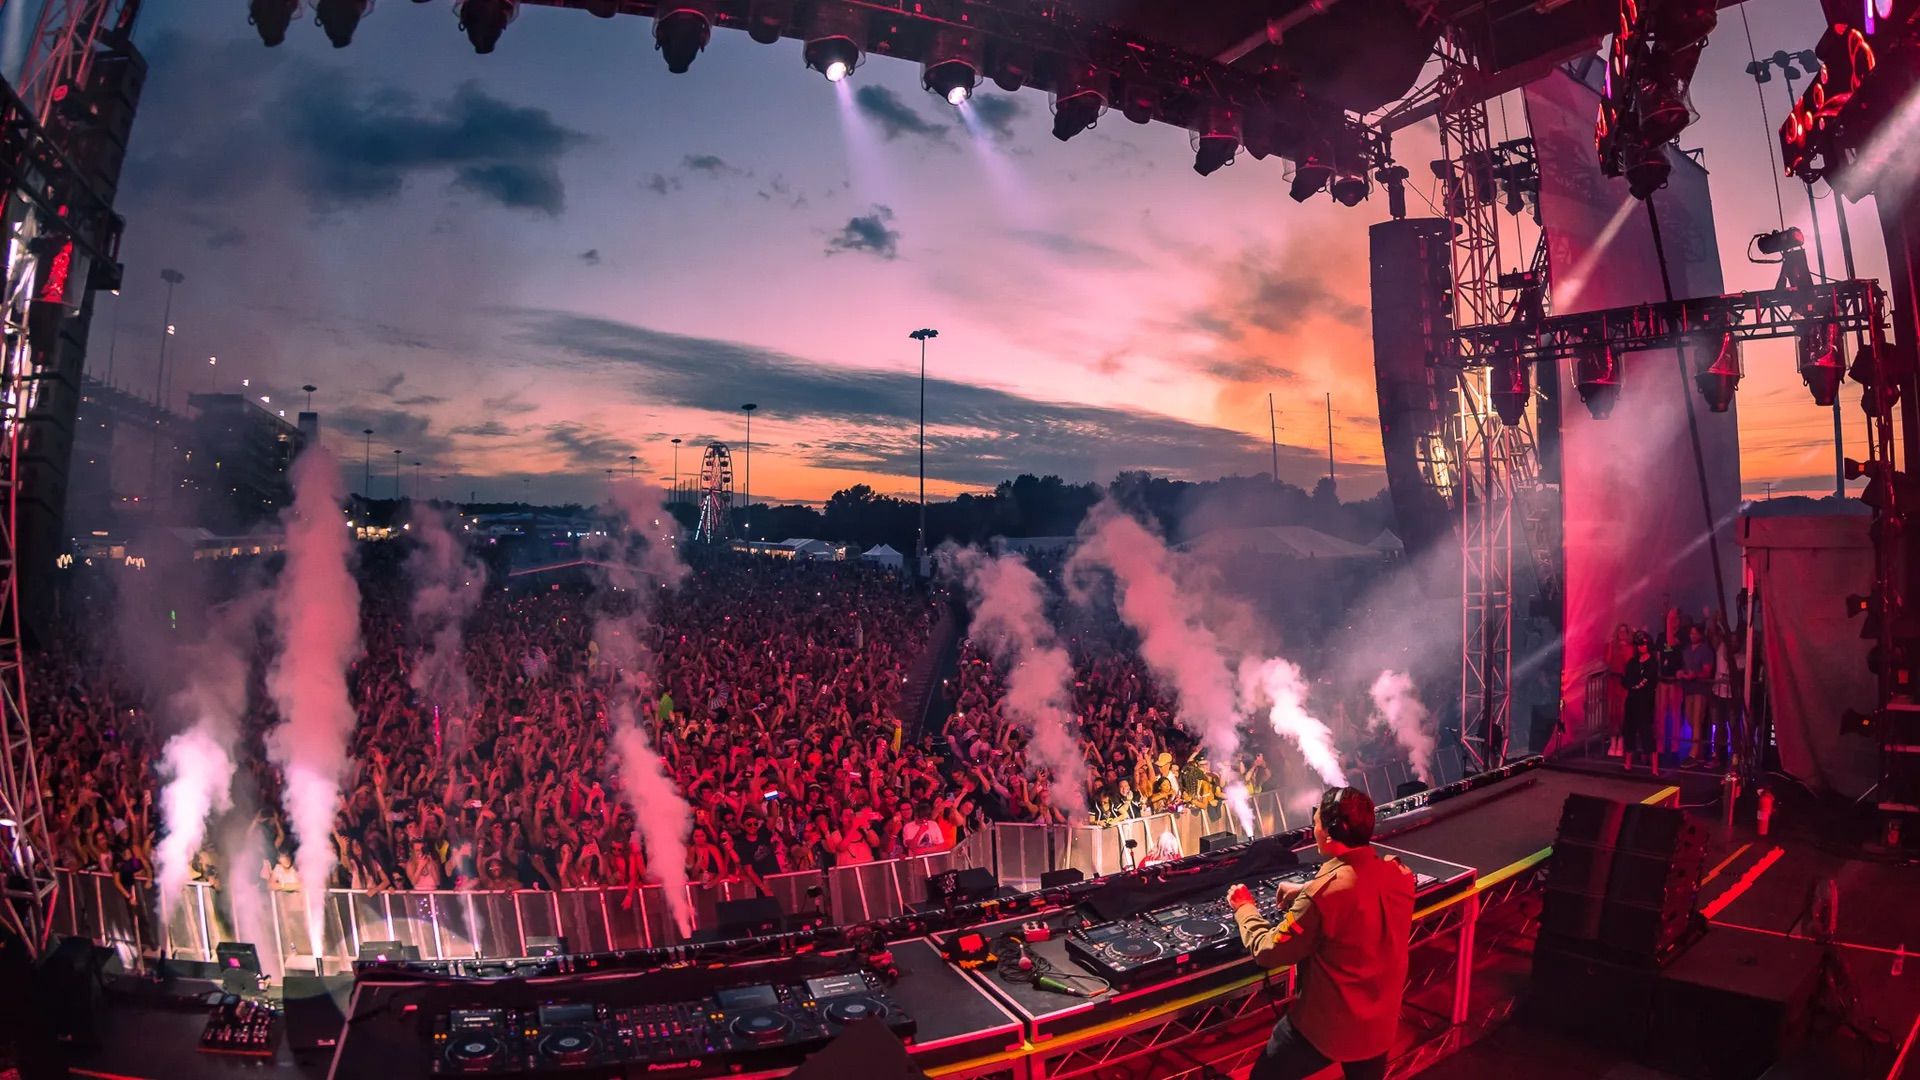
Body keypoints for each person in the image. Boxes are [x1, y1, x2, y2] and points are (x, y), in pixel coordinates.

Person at [1227, 787, 1414, 1080]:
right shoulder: (1400, 874)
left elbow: (1268, 951)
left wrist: (1244, 908)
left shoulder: (1323, 897)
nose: (1312, 829)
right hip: (1379, 1026)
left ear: (1329, 833)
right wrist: (1305, 889)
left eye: (1315, 822)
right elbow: (1360, 887)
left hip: (1328, 1029)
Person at [1622, 631, 1659, 776]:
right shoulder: (1632, 662)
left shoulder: (1652, 663)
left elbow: (1646, 681)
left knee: (1647, 732)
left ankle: (1655, 769)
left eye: (1643, 644)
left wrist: (1636, 685)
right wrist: (1632, 685)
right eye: (1638, 645)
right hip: (1632, 701)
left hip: (1645, 702)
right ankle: (1627, 764)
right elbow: (1626, 680)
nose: (1641, 647)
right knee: (1629, 731)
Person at [1679, 624, 1716, 769]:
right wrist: (1681, 673)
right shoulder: (1686, 650)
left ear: (1701, 634)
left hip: (1701, 689)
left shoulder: (1706, 650)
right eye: (1691, 633)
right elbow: (1684, 667)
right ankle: (1699, 751)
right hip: (1689, 689)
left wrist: (1695, 675)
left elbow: (1707, 672)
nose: (1692, 636)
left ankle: (1693, 754)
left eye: (1695, 633)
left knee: (1696, 720)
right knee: (1690, 719)